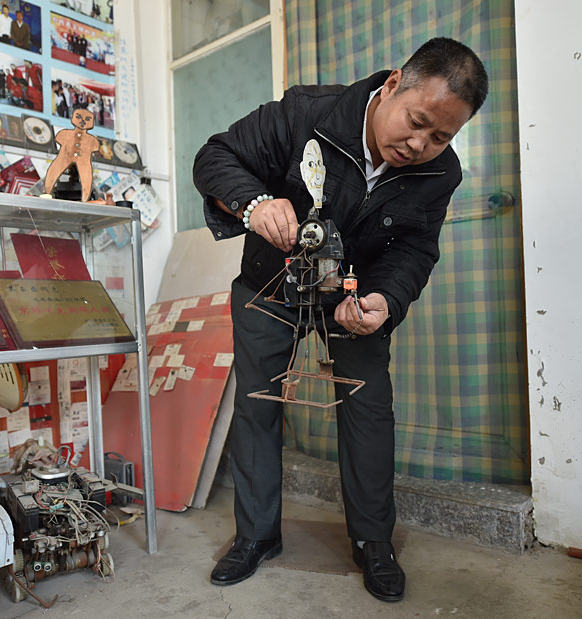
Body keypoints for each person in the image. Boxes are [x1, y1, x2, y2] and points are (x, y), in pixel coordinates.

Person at [192, 37, 488, 603]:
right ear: (394, 83)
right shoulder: (307, 113)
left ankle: (375, 542)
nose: (420, 144)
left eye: (442, 137)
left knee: (368, 407)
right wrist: (254, 204)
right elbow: (215, 158)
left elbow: (416, 249)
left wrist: (386, 302)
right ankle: (256, 537)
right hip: (270, 284)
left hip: (353, 297)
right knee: (258, 404)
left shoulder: (440, 173)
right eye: (417, 121)